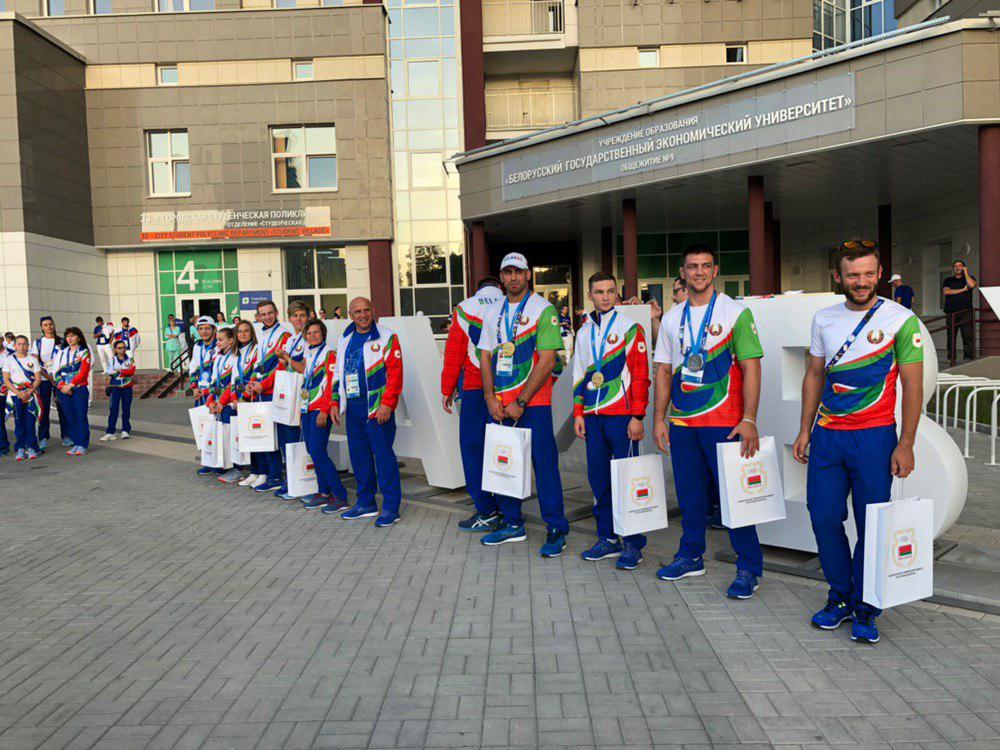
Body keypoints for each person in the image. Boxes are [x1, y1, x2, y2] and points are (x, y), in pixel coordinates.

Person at [793, 239, 924, 645]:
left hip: (875, 438)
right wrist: (804, 429)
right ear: (839, 277)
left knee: (872, 525)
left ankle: (867, 607)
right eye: (853, 274)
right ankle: (840, 596)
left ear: (879, 273)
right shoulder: (824, 319)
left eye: (869, 273)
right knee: (824, 516)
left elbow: (912, 384)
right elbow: (815, 375)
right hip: (829, 438)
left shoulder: (901, 319)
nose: (861, 281)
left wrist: (906, 443)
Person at [652, 244, 765, 599]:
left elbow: (752, 367)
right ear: (682, 272)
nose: (698, 272)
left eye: (705, 266)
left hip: (726, 422)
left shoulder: (735, 312)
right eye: (691, 267)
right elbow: (664, 371)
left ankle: (749, 568)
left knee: (735, 498)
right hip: (683, 424)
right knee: (689, 497)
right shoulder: (672, 318)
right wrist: (659, 419)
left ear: (715, 271)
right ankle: (690, 556)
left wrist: (749, 418)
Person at [478, 252, 570, 556]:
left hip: (534, 403)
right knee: (505, 463)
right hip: (501, 403)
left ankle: (556, 527)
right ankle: (512, 523)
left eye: (519, 272)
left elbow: (547, 361)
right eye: (508, 273)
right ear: (502, 277)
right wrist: (490, 397)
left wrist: (521, 400)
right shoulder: (493, 313)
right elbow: (486, 356)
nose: (513, 278)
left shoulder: (543, 310)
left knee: (544, 466)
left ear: (528, 275)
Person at [573, 272, 651, 569]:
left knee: (627, 481)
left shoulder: (630, 328)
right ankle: (607, 537)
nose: (604, 297)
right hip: (594, 418)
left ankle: (632, 543)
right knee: (598, 480)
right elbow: (580, 375)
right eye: (598, 292)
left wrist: (638, 415)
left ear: (616, 294)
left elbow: (642, 376)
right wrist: (579, 412)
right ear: (590, 295)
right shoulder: (583, 333)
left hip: (622, 417)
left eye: (609, 292)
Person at [331, 297, 404, 526]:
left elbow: (395, 374)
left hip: (377, 408)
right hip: (353, 408)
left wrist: (387, 404)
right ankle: (366, 503)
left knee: (384, 458)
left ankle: (391, 508)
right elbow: (336, 373)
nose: (363, 315)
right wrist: (334, 402)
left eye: (366, 310)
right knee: (360, 457)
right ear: (350, 315)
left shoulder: (387, 336)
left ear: (373, 311)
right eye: (357, 312)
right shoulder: (345, 338)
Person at [440, 276, 504, 532]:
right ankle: (508, 507)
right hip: (506, 388)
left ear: (476, 289)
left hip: (475, 388)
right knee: (502, 448)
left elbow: (454, 351)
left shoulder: (465, 307)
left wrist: (447, 388)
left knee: (473, 448)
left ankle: (486, 510)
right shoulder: (510, 304)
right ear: (498, 287)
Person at [292, 319, 349, 512]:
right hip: (307, 409)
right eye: (309, 333)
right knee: (313, 451)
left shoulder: (329, 353)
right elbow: (306, 379)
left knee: (318, 452)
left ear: (323, 334)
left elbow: (333, 383)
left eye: (316, 332)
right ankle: (324, 492)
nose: (312, 335)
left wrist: (325, 409)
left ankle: (340, 495)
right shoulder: (308, 352)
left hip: (319, 410)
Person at [243, 300, 292, 493]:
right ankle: (272, 475)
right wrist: (253, 383)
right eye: (263, 314)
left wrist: (263, 384)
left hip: (274, 392)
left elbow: (280, 366)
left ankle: (279, 476)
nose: (267, 317)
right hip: (261, 392)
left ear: (277, 312)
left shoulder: (284, 335)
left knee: (279, 437)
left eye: (270, 313)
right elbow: (258, 364)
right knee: (265, 436)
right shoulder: (262, 335)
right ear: (258, 317)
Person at [273, 300, 312, 499]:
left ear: (309, 316)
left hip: (303, 395)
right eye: (295, 316)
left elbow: (304, 368)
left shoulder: (309, 338)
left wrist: (287, 358)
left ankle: (302, 483)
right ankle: (291, 481)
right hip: (289, 394)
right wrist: (282, 357)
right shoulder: (291, 339)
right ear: (289, 319)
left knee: (299, 440)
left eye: (302, 315)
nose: (299, 319)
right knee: (286, 440)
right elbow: (286, 365)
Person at [229, 321, 265, 488]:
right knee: (249, 437)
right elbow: (234, 379)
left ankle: (264, 472)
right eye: (240, 331)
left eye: (246, 331)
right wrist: (235, 398)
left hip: (254, 398)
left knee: (259, 436)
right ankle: (254, 472)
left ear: (252, 333)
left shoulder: (257, 349)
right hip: (242, 401)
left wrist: (244, 395)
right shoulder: (237, 353)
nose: (243, 334)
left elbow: (257, 374)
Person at [206, 326, 243, 484]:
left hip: (229, 404)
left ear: (231, 340)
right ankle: (224, 464)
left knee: (233, 436)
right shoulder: (219, 357)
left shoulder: (236, 356)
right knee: (223, 436)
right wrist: (211, 401)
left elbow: (232, 383)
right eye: (217, 339)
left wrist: (222, 401)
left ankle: (237, 468)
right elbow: (214, 381)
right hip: (219, 403)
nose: (218, 342)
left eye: (221, 339)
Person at [53, 327, 92, 456]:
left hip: (79, 389)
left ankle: (82, 444)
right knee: (70, 417)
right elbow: (56, 371)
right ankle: (76, 442)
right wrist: (63, 386)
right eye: (67, 336)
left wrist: (71, 385)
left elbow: (83, 372)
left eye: (72, 336)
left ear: (78, 337)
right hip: (63, 390)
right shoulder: (61, 352)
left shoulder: (84, 352)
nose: (69, 338)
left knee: (80, 417)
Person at [3, 335, 42, 461]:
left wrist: (30, 391)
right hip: (15, 395)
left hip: (30, 395)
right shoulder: (9, 359)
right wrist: (18, 393)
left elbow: (38, 378)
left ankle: (31, 446)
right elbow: (6, 380)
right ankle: (20, 447)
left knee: (30, 421)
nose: (22, 346)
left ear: (28, 345)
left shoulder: (33, 360)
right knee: (19, 422)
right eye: (19, 344)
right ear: (14, 345)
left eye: (24, 344)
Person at [34, 316, 67, 450]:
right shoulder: (38, 343)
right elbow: (36, 363)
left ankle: (66, 436)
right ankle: (43, 437)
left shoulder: (62, 341)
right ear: (42, 327)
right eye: (46, 325)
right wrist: (49, 377)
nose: (49, 327)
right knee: (44, 409)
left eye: (51, 324)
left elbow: (66, 359)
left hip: (60, 379)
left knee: (63, 407)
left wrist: (56, 377)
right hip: (44, 380)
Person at [100, 339, 136, 442]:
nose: (122, 350)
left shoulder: (130, 359)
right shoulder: (112, 360)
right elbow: (109, 371)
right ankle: (110, 432)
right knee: (113, 410)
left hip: (127, 387)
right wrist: (125, 372)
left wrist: (119, 371)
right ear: (115, 349)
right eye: (120, 348)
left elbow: (132, 371)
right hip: (115, 388)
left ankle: (125, 430)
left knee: (126, 409)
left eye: (124, 347)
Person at [942, 260, 977, 361]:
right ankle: (951, 357)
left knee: (967, 335)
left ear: (964, 267)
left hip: (966, 312)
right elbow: (946, 292)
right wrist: (962, 290)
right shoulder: (948, 280)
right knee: (951, 336)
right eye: (955, 266)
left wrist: (966, 273)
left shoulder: (969, 278)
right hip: (951, 312)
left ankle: (968, 356)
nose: (958, 267)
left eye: (960, 265)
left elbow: (971, 285)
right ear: (953, 268)